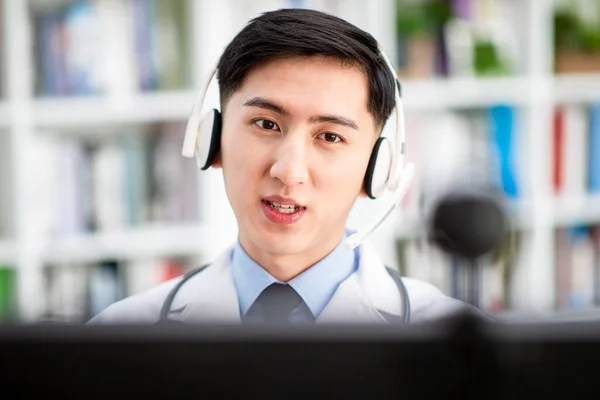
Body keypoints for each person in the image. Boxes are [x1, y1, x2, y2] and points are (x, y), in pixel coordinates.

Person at [89, 8, 484, 326]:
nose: (288, 171)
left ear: (379, 167)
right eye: (266, 124)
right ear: (213, 138)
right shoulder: (118, 338)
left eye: (330, 137)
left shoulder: (452, 343)